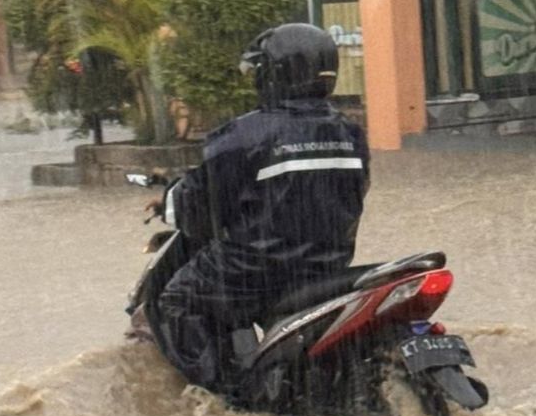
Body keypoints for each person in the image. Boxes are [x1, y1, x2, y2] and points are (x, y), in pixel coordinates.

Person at [146, 23, 370, 395]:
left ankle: (223, 399)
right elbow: (350, 195)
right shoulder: (350, 134)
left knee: (178, 301)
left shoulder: (243, 135)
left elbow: (201, 204)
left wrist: (174, 202)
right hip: (326, 267)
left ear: (273, 74)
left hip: (254, 270)